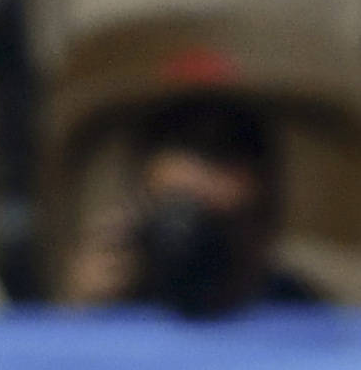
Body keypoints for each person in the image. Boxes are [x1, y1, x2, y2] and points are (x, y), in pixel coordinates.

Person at [63, 93, 319, 318]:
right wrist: (79, 316)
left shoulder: (297, 312)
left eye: (222, 222)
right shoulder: (112, 303)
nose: (204, 244)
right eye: (181, 216)